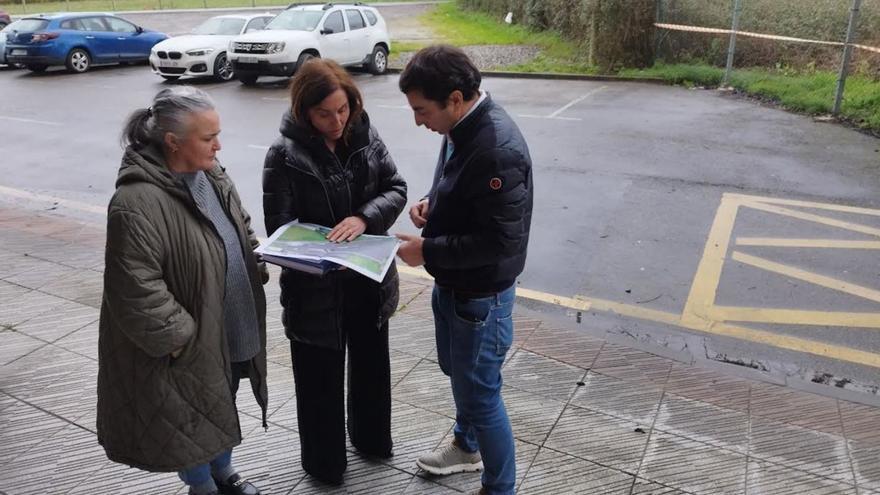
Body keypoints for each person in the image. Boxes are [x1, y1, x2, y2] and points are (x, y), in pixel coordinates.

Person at [97, 86, 269, 495]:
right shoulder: (135, 202)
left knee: (219, 399)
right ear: (173, 142)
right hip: (187, 341)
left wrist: (255, 258)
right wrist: (182, 339)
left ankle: (224, 473)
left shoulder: (211, 172)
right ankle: (200, 485)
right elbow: (135, 287)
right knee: (187, 413)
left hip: (225, 322)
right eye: (208, 138)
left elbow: (239, 223)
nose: (218, 145)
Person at [395, 45, 534, 495]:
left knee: (481, 394)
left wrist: (428, 251)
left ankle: (501, 487)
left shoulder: (495, 150)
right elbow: (461, 189)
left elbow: (498, 242)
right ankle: (465, 446)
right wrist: (432, 203)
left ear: (455, 99)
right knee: (463, 378)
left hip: (481, 298)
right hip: (457, 287)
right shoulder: (462, 127)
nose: (419, 121)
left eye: (422, 110)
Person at [262, 59, 407, 484]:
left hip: (366, 278)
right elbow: (280, 227)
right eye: (324, 114)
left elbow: (395, 188)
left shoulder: (364, 132)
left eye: (343, 109)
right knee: (318, 381)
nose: (336, 121)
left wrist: (364, 218)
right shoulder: (284, 154)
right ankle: (325, 466)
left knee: (371, 368)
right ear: (304, 110)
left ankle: (372, 440)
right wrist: (316, 244)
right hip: (316, 288)